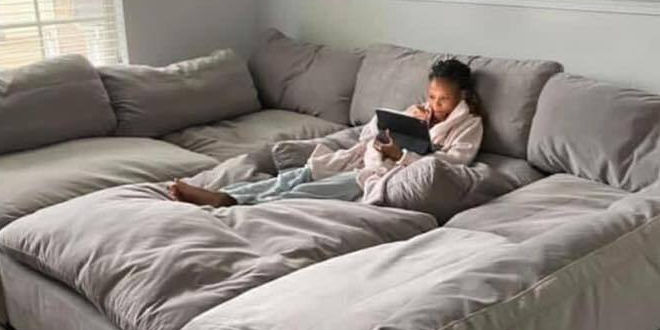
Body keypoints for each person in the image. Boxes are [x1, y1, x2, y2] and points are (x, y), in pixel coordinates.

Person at [168, 56, 484, 208]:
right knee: (299, 175)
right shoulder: (420, 111)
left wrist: (399, 154)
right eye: (432, 96)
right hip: (367, 159)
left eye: (444, 99)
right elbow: (369, 133)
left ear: (462, 97)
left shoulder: (469, 125)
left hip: (383, 174)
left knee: (308, 191)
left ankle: (238, 205)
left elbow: (451, 164)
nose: (435, 104)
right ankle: (228, 194)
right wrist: (395, 127)